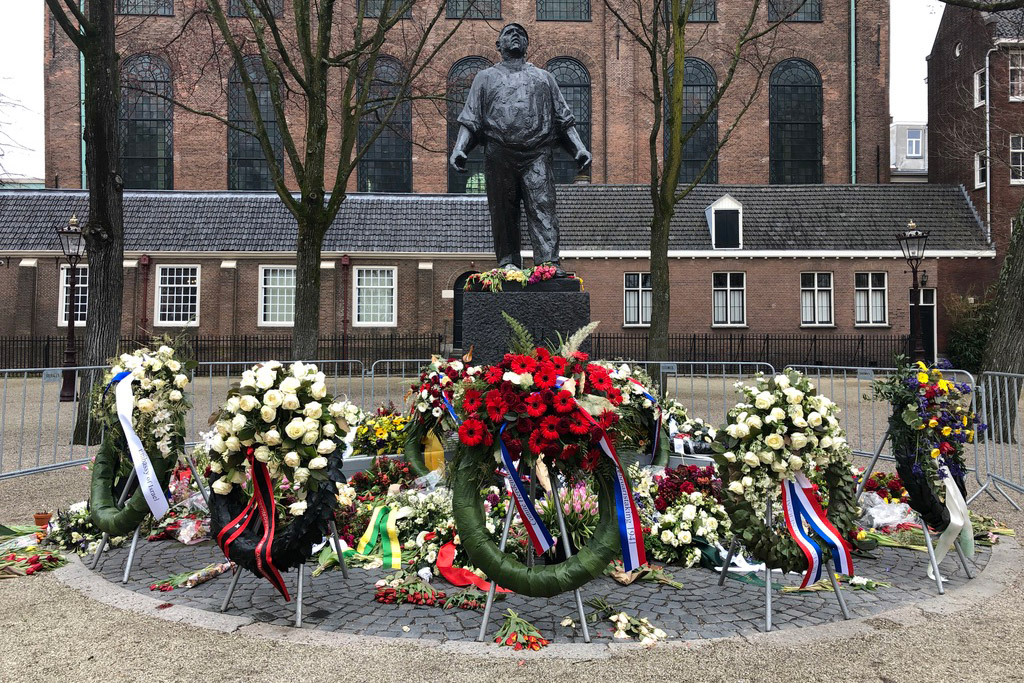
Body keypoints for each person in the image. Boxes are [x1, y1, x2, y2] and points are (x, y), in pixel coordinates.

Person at [449, 23, 592, 276]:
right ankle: (507, 262)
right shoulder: (485, 78)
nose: (516, 36)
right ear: (498, 45)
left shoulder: (544, 78)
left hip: (536, 153)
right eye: (509, 33)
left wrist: (579, 148)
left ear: (527, 45)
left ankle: (548, 263)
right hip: (499, 154)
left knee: (543, 206)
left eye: (521, 34)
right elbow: (471, 119)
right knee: (503, 212)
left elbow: (563, 119)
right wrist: (460, 149)